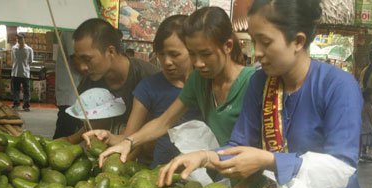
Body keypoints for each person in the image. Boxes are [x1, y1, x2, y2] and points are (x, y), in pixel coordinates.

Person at [158, 0, 365, 188]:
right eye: (253, 41)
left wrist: (268, 160)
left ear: (297, 41)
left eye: (265, 42)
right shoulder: (260, 83)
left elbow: (341, 168)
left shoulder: (338, 86)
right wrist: (205, 157)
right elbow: (239, 143)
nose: (256, 52)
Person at [83, 6, 254, 168]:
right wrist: (128, 142)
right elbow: (164, 121)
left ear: (228, 46)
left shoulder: (252, 82)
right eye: (193, 54)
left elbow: (254, 146)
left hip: (247, 176)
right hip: (216, 172)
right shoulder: (199, 80)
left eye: (206, 54)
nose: (199, 63)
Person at [113, 15, 201, 168]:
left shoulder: (207, 85)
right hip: (160, 172)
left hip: (203, 174)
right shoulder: (147, 88)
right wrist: (108, 137)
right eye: (161, 54)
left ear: (192, 50)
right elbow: (130, 136)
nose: (166, 62)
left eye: (174, 54)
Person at [59, 18, 160, 144]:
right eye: (78, 60)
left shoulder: (150, 78)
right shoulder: (89, 83)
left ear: (110, 51)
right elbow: (95, 123)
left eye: (87, 59)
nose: (82, 67)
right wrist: (70, 140)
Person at [53, 31, 82, 139]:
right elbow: (77, 60)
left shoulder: (79, 31)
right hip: (70, 93)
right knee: (65, 131)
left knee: (74, 132)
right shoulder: (71, 31)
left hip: (76, 93)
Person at [11, 33, 33, 111]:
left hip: (25, 73)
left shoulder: (29, 49)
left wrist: (25, 66)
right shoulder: (14, 48)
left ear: (24, 39)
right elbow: (12, 59)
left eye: (21, 38)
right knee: (15, 90)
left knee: (26, 90)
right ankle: (16, 103)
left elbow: (30, 61)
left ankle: (26, 105)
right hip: (15, 72)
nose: (19, 40)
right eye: (18, 38)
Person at [360, 88, 372, 162]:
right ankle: (369, 154)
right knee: (370, 140)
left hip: (365, 125)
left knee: (364, 140)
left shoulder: (364, 104)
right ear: (368, 96)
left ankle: (363, 153)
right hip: (368, 126)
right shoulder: (368, 105)